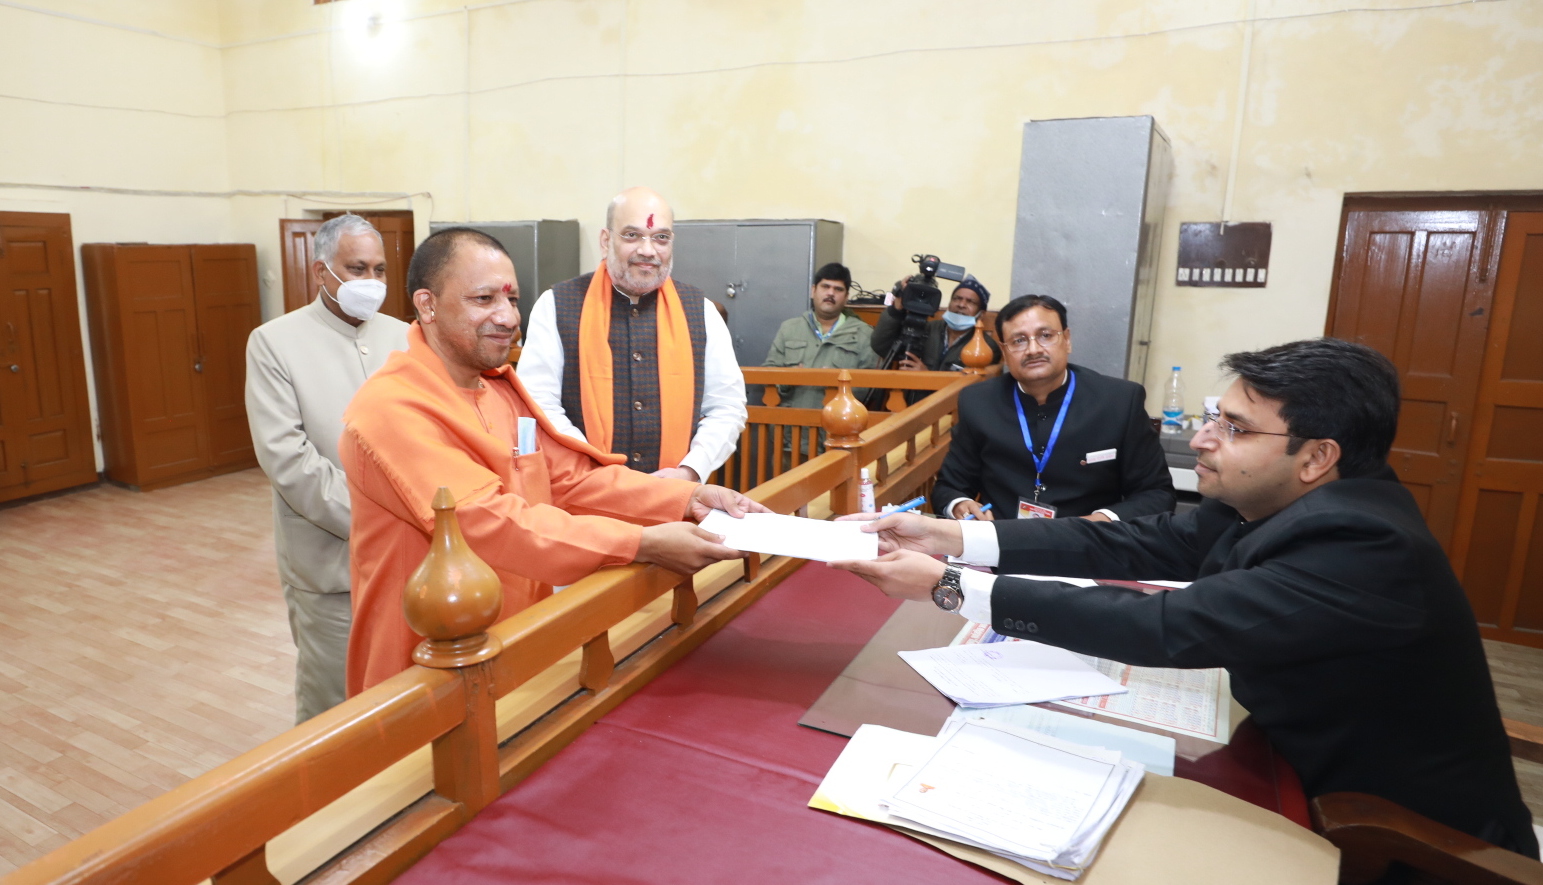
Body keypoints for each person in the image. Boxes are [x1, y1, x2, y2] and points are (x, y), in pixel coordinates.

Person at [832, 337, 1537, 859]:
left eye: (1233, 428)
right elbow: (1125, 546)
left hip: (1404, 842)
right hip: (1293, 762)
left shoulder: (1361, 543)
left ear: (1316, 455)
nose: (1200, 439)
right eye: (1212, 416)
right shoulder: (1270, 498)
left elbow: (1165, 624)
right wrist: (951, 540)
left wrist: (949, 590)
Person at [339, 227, 764, 694]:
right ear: (427, 305)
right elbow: (487, 522)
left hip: (521, 635)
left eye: (512, 299)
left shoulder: (498, 389)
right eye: (483, 299)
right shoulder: (391, 407)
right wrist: (641, 543)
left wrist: (689, 497)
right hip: (429, 658)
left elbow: (574, 482)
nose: (506, 317)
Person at [245, 214, 410, 723]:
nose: (372, 282)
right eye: (356, 268)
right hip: (331, 568)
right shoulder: (275, 343)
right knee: (334, 707)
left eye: (380, 269)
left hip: (410, 561)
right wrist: (377, 520)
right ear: (322, 273)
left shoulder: (409, 338)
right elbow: (289, 461)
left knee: (408, 694)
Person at [517, 187, 747, 482]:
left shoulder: (701, 312)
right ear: (605, 241)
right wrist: (595, 470)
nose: (648, 251)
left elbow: (727, 406)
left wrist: (691, 470)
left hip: (674, 498)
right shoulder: (556, 305)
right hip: (583, 494)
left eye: (660, 237)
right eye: (632, 235)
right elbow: (539, 403)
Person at [931, 294, 1174, 522]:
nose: (1033, 349)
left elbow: (1157, 494)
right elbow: (949, 487)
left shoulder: (1119, 401)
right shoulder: (979, 402)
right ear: (1004, 351)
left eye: (1045, 335)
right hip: (1002, 546)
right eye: (1018, 341)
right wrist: (959, 504)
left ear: (1067, 340)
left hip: (1090, 548)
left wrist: (1101, 520)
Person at [763, 262, 878, 409]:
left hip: (837, 426)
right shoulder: (789, 328)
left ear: (846, 297)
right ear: (813, 291)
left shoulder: (863, 333)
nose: (831, 293)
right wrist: (788, 378)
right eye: (825, 287)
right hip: (790, 425)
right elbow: (768, 373)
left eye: (838, 289)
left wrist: (836, 383)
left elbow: (870, 385)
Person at [871, 274, 1002, 373]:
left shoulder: (986, 347)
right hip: (912, 402)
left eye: (970, 302)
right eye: (957, 299)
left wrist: (927, 376)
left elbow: (971, 390)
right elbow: (882, 347)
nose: (961, 305)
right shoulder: (927, 329)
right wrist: (896, 310)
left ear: (982, 314)